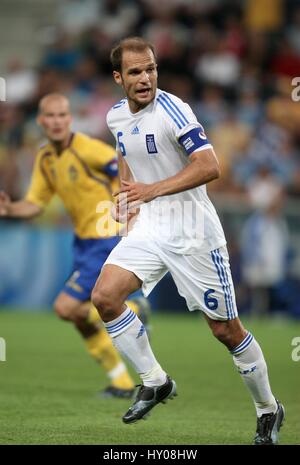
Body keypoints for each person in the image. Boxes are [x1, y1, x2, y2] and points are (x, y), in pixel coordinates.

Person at [91, 37, 285, 444]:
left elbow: (210, 166)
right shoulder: (114, 116)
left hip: (193, 232)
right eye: (135, 72)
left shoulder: (174, 110)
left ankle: (268, 408)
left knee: (225, 330)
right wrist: (125, 193)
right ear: (118, 77)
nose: (146, 79)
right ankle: (155, 380)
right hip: (150, 226)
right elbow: (124, 150)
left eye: (151, 69)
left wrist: (152, 190)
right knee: (105, 298)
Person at [0, 93, 151, 398]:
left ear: (69, 119)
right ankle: (121, 382)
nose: (56, 122)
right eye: (50, 116)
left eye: (62, 115)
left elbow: (126, 170)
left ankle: (134, 309)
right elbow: (36, 203)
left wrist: (129, 210)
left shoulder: (89, 149)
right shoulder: (45, 159)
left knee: (64, 307)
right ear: (41, 121)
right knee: (79, 316)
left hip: (106, 235)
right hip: (83, 242)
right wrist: (10, 209)